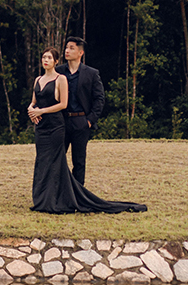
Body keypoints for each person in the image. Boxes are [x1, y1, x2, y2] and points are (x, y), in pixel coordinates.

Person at [27, 48, 146, 214]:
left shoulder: (61, 79)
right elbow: (34, 101)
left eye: (49, 57)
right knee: (42, 161)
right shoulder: (38, 80)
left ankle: (57, 199)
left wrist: (41, 111)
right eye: (43, 57)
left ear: (55, 61)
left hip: (55, 126)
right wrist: (31, 109)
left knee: (56, 161)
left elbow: (63, 104)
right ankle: (41, 198)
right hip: (41, 127)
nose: (45, 60)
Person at [57, 37, 104, 186]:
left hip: (81, 121)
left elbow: (99, 98)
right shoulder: (58, 71)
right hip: (61, 121)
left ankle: (78, 195)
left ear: (80, 53)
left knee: (79, 161)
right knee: (57, 159)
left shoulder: (91, 73)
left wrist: (90, 120)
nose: (67, 50)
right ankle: (57, 193)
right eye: (66, 47)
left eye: (71, 48)